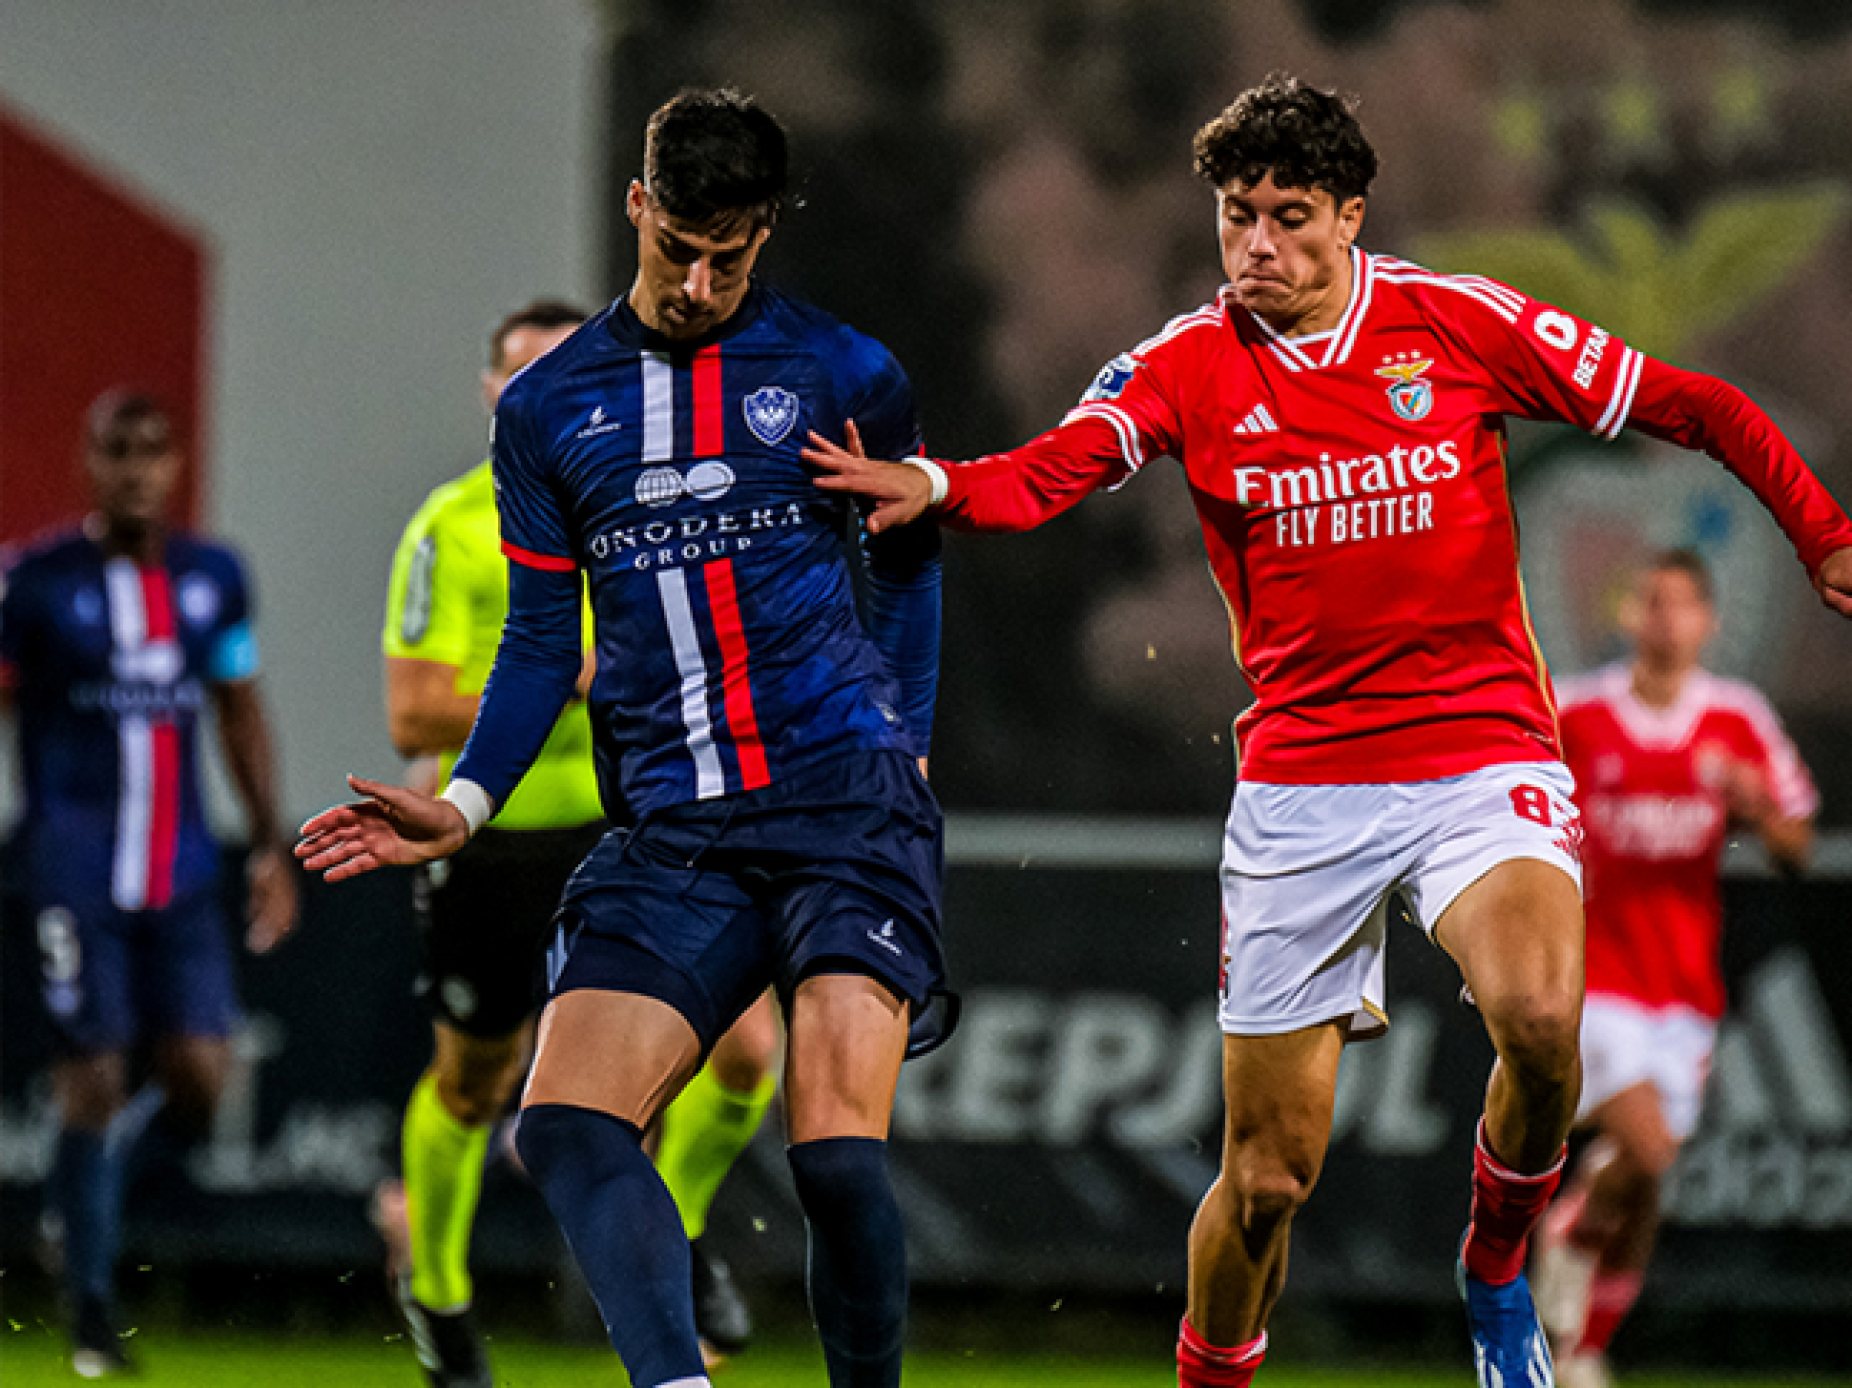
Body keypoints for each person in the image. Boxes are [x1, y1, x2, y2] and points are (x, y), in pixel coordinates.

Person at [802, 75, 1852, 1388]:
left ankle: (1497, 1260)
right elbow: (1056, 469)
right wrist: (943, 483)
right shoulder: (1189, 363)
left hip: (1483, 755)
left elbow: (1705, 408)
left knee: (1538, 1020)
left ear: (1350, 216)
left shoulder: (1453, 325)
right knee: (1266, 1180)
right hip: (1306, 790)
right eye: (1237, 216)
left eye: (1287, 217)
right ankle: (1214, 1371)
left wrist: (1822, 532)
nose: (1254, 245)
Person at [298, 88, 947, 1388]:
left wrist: (911, 746)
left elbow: (914, 557)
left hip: (842, 810)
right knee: (569, 1130)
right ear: (637, 207)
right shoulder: (549, 409)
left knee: (832, 1159)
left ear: (765, 232)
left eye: (732, 253)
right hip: (677, 831)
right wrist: (470, 801)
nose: (701, 282)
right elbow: (543, 641)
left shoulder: (841, 372)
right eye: (678, 249)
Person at [375, 299, 777, 1386]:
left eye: (566, 366)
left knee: (745, 1054)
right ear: (491, 391)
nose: (543, 388)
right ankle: (441, 1294)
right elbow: (414, 716)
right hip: (499, 841)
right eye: (520, 372)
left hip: (642, 825)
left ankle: (681, 1240)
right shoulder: (451, 525)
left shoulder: (661, 506)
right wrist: (573, 672)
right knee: (474, 1082)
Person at [0, 391, 299, 1378]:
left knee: (202, 1078)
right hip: (73, 868)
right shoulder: (35, 581)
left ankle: (81, 1201)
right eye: (115, 451)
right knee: (91, 1071)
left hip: (180, 869)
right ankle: (90, 1310)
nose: (134, 470)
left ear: (175, 465)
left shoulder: (214, 578)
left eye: (151, 452)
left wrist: (268, 842)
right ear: (88, 462)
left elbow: (238, 707)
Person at [1531, 550, 1816, 1388]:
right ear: (1628, 614)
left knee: (1646, 1188)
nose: (1665, 618)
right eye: (1650, 601)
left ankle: (1583, 1341)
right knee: (1648, 1153)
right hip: (1596, 977)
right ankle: (1565, 1273)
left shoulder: (1737, 719)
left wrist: (1757, 805)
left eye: (1682, 604)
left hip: (1685, 987)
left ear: (1708, 621)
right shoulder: (1577, 712)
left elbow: (1797, 845)